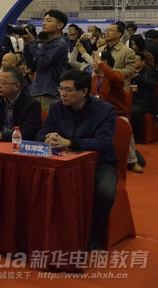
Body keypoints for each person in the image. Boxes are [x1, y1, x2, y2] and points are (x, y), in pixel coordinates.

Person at [37, 70, 116, 251]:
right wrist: (49, 138)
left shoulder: (105, 111)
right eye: (61, 89)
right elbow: (41, 134)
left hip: (100, 162)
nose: (63, 94)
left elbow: (102, 142)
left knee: (105, 192)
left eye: (68, 90)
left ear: (84, 91)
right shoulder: (57, 108)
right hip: (62, 161)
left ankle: (93, 236)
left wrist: (70, 142)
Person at [0, 66, 41, 141]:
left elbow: (28, 132)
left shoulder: (32, 104)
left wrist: (3, 135)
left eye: (3, 83)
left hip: (20, 143)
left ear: (17, 86)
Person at [22, 9, 69, 112]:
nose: (44, 23)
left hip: (49, 94)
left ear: (60, 25)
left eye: (49, 21)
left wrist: (32, 42)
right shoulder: (48, 43)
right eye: (44, 20)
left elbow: (42, 63)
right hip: (38, 91)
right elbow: (31, 65)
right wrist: (27, 43)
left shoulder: (59, 44)